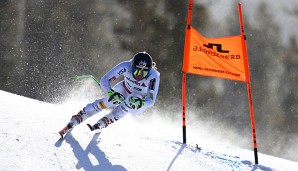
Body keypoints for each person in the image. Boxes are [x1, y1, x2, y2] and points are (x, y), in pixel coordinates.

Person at [59, 51, 160, 137]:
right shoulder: (126, 66)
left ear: (149, 70)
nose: (139, 76)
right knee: (110, 100)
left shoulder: (153, 76)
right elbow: (104, 80)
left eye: (143, 73)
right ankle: (81, 115)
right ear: (132, 66)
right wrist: (111, 92)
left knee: (131, 100)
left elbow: (151, 101)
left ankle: (108, 120)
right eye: (136, 71)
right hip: (124, 88)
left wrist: (142, 103)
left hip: (138, 100)